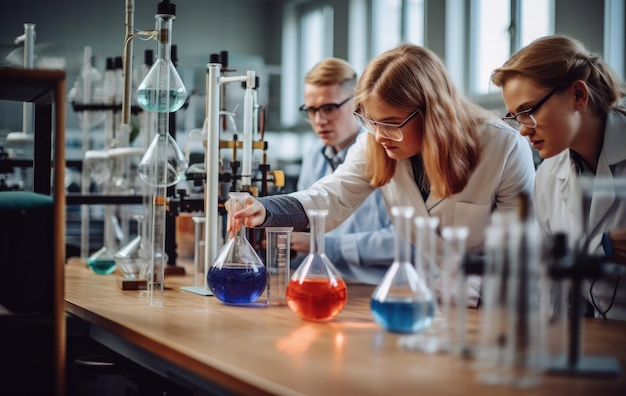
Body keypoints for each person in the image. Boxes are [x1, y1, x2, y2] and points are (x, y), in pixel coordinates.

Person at [232, 43, 536, 307]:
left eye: (390, 122)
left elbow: (516, 250)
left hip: (497, 305)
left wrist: (467, 295)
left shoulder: (504, 146)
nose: (378, 136)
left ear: (433, 113)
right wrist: (266, 208)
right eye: (371, 122)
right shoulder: (375, 144)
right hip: (427, 299)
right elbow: (330, 197)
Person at [491, 34, 626, 320]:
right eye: (516, 117)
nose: (523, 129)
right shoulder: (548, 174)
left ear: (578, 94)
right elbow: (559, 287)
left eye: (528, 111)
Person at [292, 57, 394, 284]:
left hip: (378, 287)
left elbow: (406, 241)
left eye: (329, 108)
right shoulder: (314, 154)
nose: (319, 120)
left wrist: (326, 246)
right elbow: (307, 225)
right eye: (311, 110)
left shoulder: (387, 150)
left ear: (358, 103)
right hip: (325, 282)